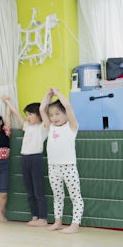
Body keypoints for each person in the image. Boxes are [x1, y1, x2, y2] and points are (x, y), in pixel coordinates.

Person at [40, 88, 83, 234]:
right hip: (53, 167)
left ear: (65, 114)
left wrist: (58, 93)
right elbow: (41, 109)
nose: (54, 117)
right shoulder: (50, 127)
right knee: (57, 196)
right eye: (51, 115)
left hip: (69, 167)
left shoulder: (72, 127)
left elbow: (69, 106)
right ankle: (58, 221)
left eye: (57, 113)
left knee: (75, 196)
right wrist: (47, 95)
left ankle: (75, 224)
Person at [3, 97, 48, 227]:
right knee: (30, 191)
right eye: (27, 115)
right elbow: (17, 113)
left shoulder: (43, 127)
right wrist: (8, 103)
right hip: (24, 158)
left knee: (39, 190)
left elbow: (43, 113)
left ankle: (43, 218)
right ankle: (34, 216)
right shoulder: (27, 126)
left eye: (30, 114)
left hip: (36, 159)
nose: (27, 117)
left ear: (39, 115)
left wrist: (47, 99)